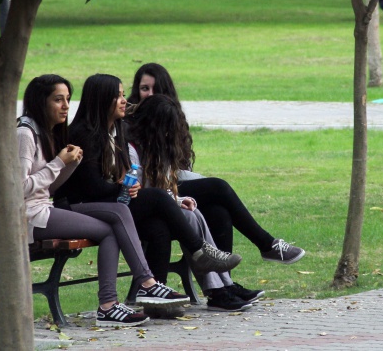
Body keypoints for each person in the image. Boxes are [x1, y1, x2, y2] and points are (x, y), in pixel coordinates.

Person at [19, 75, 191, 328]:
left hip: (44, 208)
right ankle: (146, 284)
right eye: (58, 100)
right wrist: (58, 163)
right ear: (39, 102)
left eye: (67, 99)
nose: (66, 106)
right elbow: (19, 188)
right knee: (119, 214)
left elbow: (50, 187)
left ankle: (110, 305)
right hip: (29, 216)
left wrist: (70, 165)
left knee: (112, 226)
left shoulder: (48, 132)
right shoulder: (25, 134)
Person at [53, 74, 242, 297]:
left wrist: (133, 188)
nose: (124, 100)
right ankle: (199, 251)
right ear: (101, 99)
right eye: (117, 96)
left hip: (112, 203)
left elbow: (120, 177)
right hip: (80, 208)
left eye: (123, 95)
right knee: (158, 197)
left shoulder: (116, 130)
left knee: (158, 226)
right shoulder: (84, 134)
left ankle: (153, 295)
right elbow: (92, 187)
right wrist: (123, 189)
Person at [127, 63, 305, 264]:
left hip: (170, 185)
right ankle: (267, 244)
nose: (150, 94)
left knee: (219, 212)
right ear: (137, 91)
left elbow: (178, 169)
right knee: (218, 187)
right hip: (151, 195)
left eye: (156, 89)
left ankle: (223, 281)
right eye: (145, 88)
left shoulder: (172, 119)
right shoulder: (130, 124)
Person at [126, 96, 266, 311]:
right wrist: (174, 200)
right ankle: (216, 286)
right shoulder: (132, 149)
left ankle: (223, 287)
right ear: (153, 126)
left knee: (204, 213)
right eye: (165, 129)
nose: (168, 134)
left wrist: (178, 200)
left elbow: (163, 187)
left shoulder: (158, 146)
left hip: (159, 205)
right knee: (203, 203)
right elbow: (137, 192)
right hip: (136, 210)